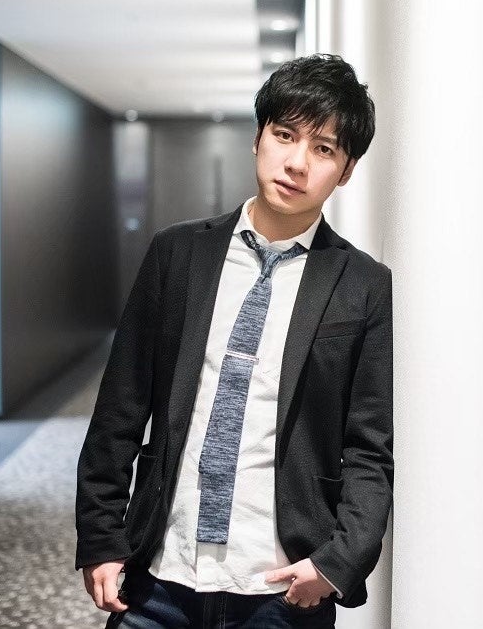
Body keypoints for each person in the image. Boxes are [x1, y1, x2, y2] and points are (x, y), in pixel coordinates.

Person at [75, 54, 392, 629]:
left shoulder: (363, 284)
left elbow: (369, 447)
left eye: (323, 149)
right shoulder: (178, 254)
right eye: (284, 135)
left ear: (345, 171)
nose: (296, 163)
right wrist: (100, 535)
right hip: (159, 574)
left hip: (279, 587)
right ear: (258, 137)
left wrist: (338, 562)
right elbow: (120, 407)